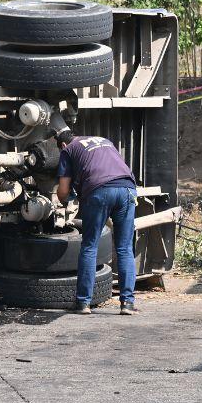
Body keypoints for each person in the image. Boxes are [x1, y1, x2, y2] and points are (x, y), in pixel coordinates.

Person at [55, 128, 139, 315]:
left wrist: (65, 200)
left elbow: (62, 191)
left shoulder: (68, 150)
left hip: (99, 191)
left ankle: (84, 303)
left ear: (62, 144)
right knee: (125, 247)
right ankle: (127, 303)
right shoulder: (104, 139)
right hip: (128, 189)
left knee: (89, 246)